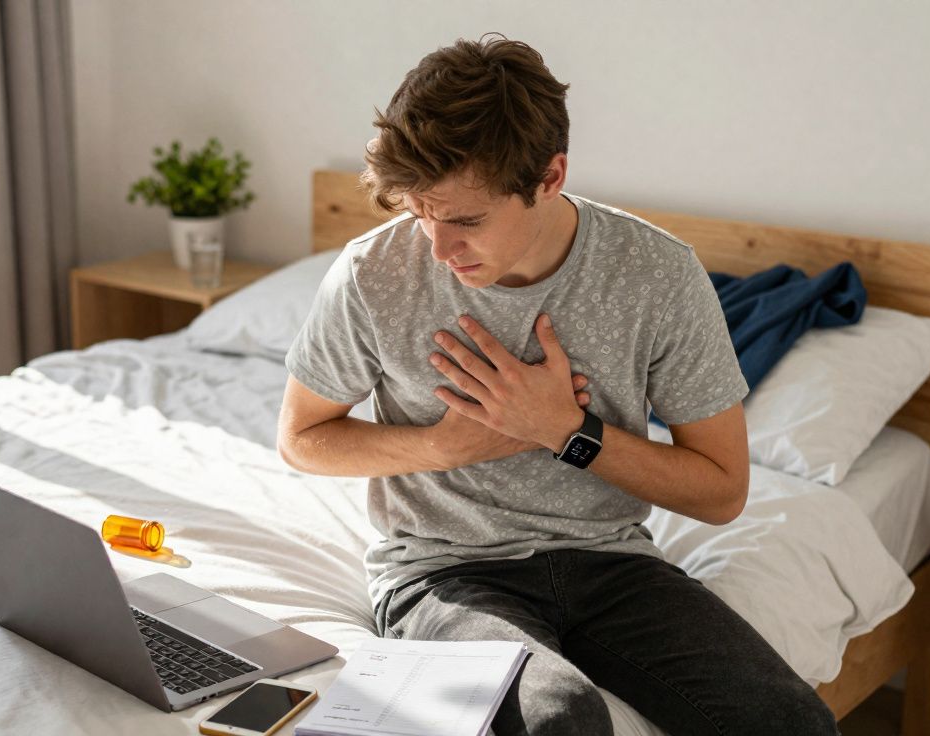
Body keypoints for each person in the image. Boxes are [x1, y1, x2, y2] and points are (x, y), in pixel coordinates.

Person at [277, 33, 839, 736]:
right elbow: (301, 439)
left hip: (611, 565)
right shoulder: (373, 273)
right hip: (445, 573)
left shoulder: (656, 276)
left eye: (466, 220)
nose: (439, 248)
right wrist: (444, 448)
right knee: (559, 719)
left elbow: (722, 490)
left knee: (792, 724)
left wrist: (566, 434)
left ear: (550, 177)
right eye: (419, 212)